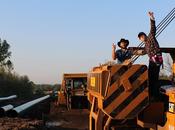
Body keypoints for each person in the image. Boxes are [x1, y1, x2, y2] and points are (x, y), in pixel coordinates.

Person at [138, 12, 163, 100]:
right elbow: (143, 52)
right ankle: (151, 94)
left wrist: (152, 18)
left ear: (145, 35)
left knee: (154, 77)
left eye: (143, 35)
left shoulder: (150, 37)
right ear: (140, 39)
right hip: (152, 60)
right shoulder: (145, 46)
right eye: (141, 37)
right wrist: (133, 52)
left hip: (156, 59)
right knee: (149, 77)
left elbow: (153, 29)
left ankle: (154, 95)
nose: (142, 37)